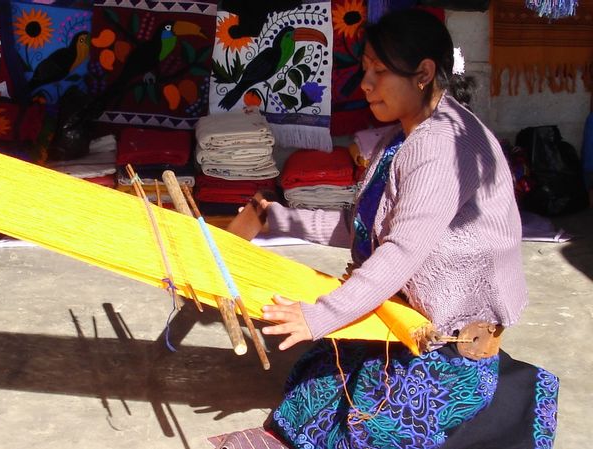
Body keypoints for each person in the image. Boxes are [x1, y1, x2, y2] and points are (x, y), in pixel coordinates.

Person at [239, 9, 559, 449]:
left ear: (424, 73)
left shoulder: (443, 147)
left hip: (447, 335)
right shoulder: (404, 137)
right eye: (365, 69)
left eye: (380, 71)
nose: (365, 83)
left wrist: (319, 315)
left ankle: (500, 398)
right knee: (312, 387)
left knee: (370, 424)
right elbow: (367, 228)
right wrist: (278, 219)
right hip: (406, 310)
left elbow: (401, 253)